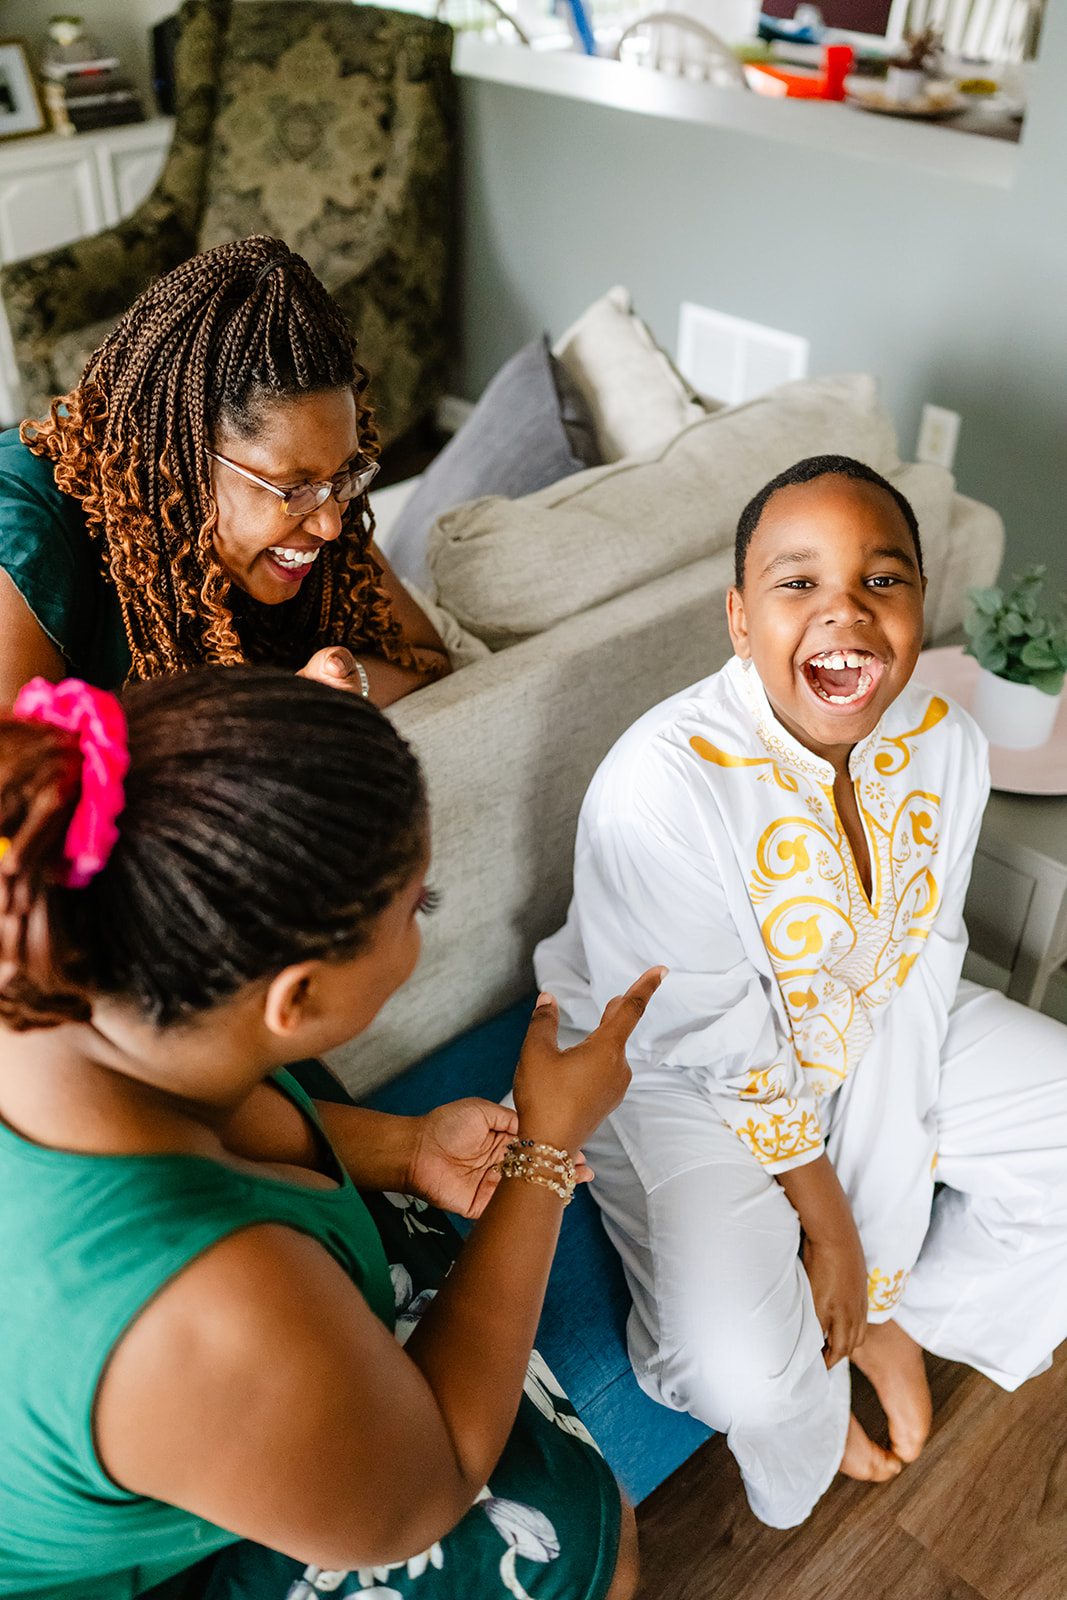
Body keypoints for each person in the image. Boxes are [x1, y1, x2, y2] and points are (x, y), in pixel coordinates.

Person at [0, 664, 663, 1600]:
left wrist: (407, 1149)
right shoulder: (212, 1304)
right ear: (295, 996)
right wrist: (546, 1155)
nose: (421, 927)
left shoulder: (55, 953)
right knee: (582, 1541)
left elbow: (235, 1127)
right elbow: (421, 1496)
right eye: (416, 908)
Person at [535, 454, 1067, 1529]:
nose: (845, 613)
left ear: (921, 603)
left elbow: (921, 960)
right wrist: (829, 1225)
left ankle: (901, 1318)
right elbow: (721, 1047)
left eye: (882, 580)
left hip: (868, 1016)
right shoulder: (661, 784)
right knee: (742, 1369)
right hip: (680, 1068)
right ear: (737, 618)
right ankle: (805, 1431)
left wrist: (872, 1271)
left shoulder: (945, 743)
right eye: (796, 583)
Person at [0, 235, 450, 708]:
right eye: (295, 486)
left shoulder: (319, 500)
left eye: (343, 477)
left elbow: (424, 657)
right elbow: (26, 774)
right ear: (181, 465)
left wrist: (326, 690)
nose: (331, 525)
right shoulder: (25, 530)